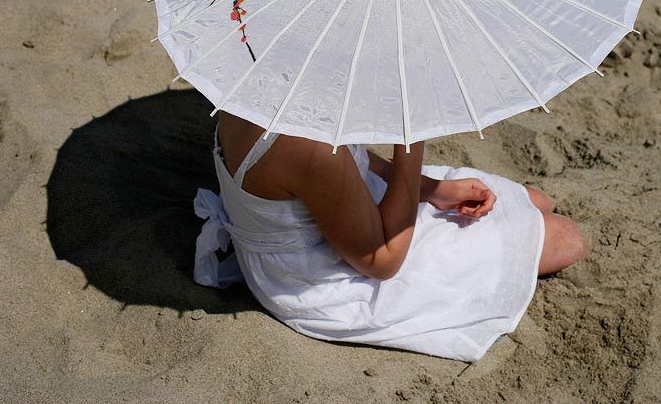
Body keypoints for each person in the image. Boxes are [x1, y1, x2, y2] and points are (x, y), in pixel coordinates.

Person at [193, 111, 587, 362]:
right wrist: (412, 141)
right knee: (564, 237)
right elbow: (382, 261)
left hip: (333, 210)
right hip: (319, 276)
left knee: (534, 200)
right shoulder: (307, 147)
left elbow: (347, 161)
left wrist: (431, 188)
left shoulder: (261, 87)